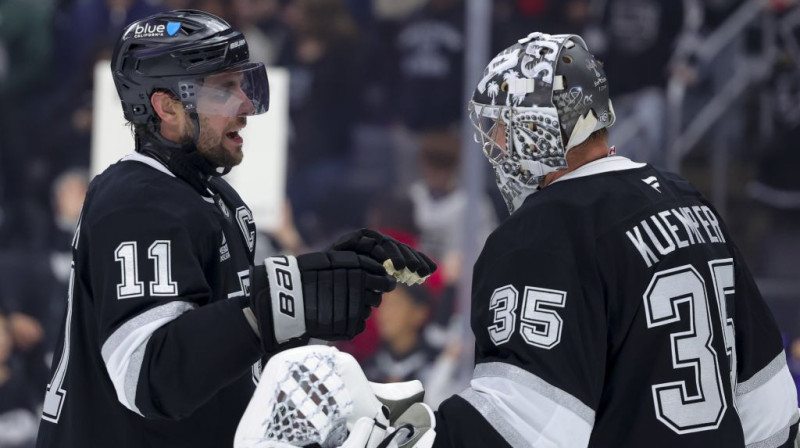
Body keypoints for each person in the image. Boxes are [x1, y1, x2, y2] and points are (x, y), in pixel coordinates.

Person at [238, 32, 800, 448]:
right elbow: (773, 410)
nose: (496, 145)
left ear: (537, 129)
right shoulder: (688, 200)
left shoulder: (545, 230)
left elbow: (526, 430)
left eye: (501, 127)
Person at [35, 10, 435, 448]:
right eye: (223, 89)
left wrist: (317, 276)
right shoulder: (137, 201)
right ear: (167, 106)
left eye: (243, 85)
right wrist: (279, 301)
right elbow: (149, 377)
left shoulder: (214, 198)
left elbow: (230, 353)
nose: (245, 105)